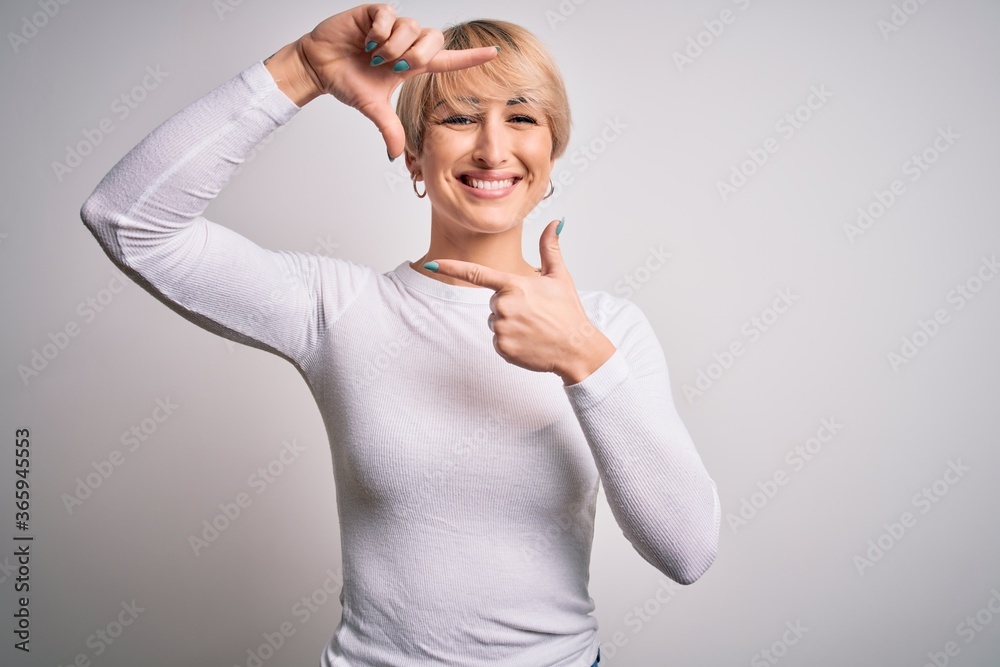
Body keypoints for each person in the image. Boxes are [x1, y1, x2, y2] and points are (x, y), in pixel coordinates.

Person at [79, 4, 720, 666]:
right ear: (414, 153)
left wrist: (582, 359)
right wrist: (299, 69)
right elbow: (126, 218)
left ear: (551, 155)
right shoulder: (339, 308)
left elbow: (687, 551)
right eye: (459, 116)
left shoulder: (609, 329)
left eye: (522, 117)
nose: (493, 147)